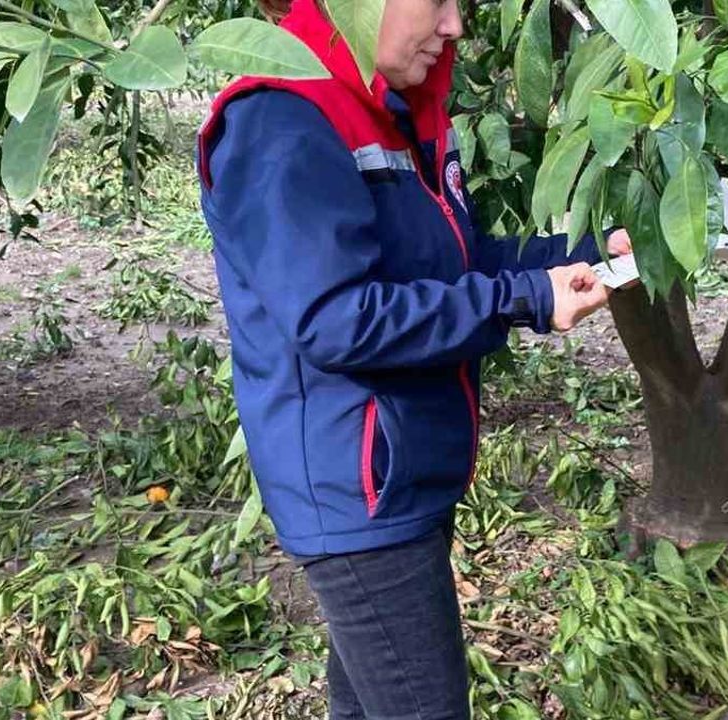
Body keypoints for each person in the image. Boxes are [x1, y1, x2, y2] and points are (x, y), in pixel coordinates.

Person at [195, 0, 631, 716]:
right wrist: (520, 300)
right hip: (355, 488)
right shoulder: (283, 121)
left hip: (398, 473)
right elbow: (337, 320)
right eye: (437, 1)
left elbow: (460, 260)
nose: (455, 25)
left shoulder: (394, 114)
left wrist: (583, 255)